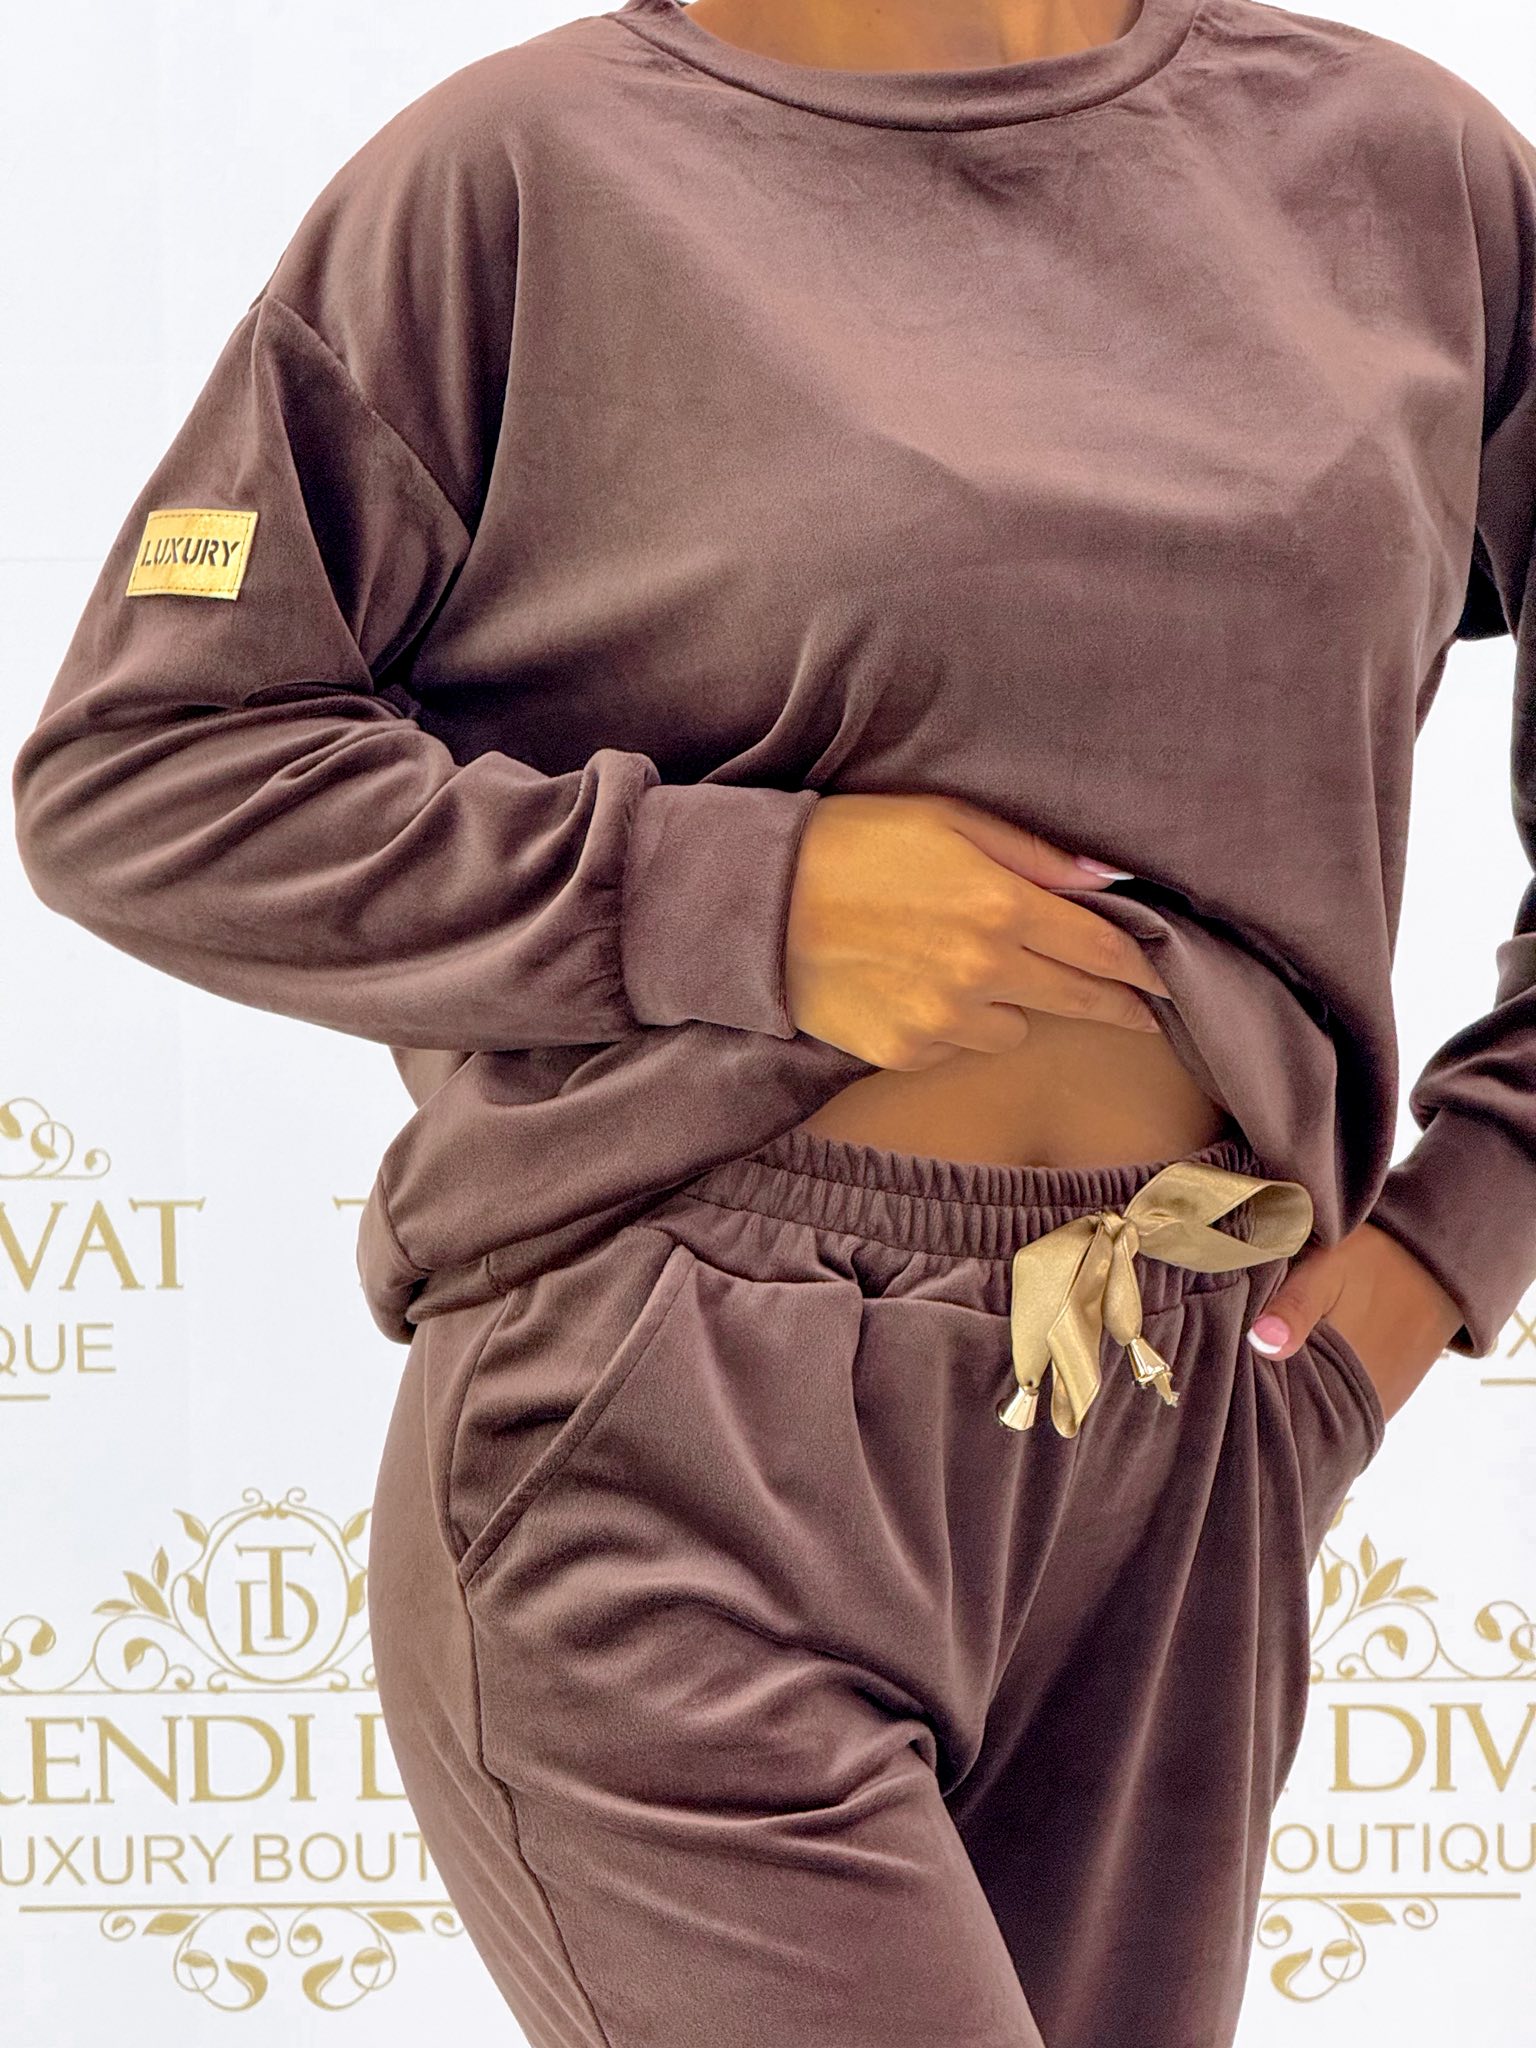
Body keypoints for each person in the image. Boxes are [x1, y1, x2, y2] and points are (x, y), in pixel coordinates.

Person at [10, 0, 1533, 2041]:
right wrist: (746, 900)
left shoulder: (1412, 174)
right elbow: (144, 770)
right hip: (678, 1437)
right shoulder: (515, 181)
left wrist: (1446, 1247)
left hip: (1183, 1430)